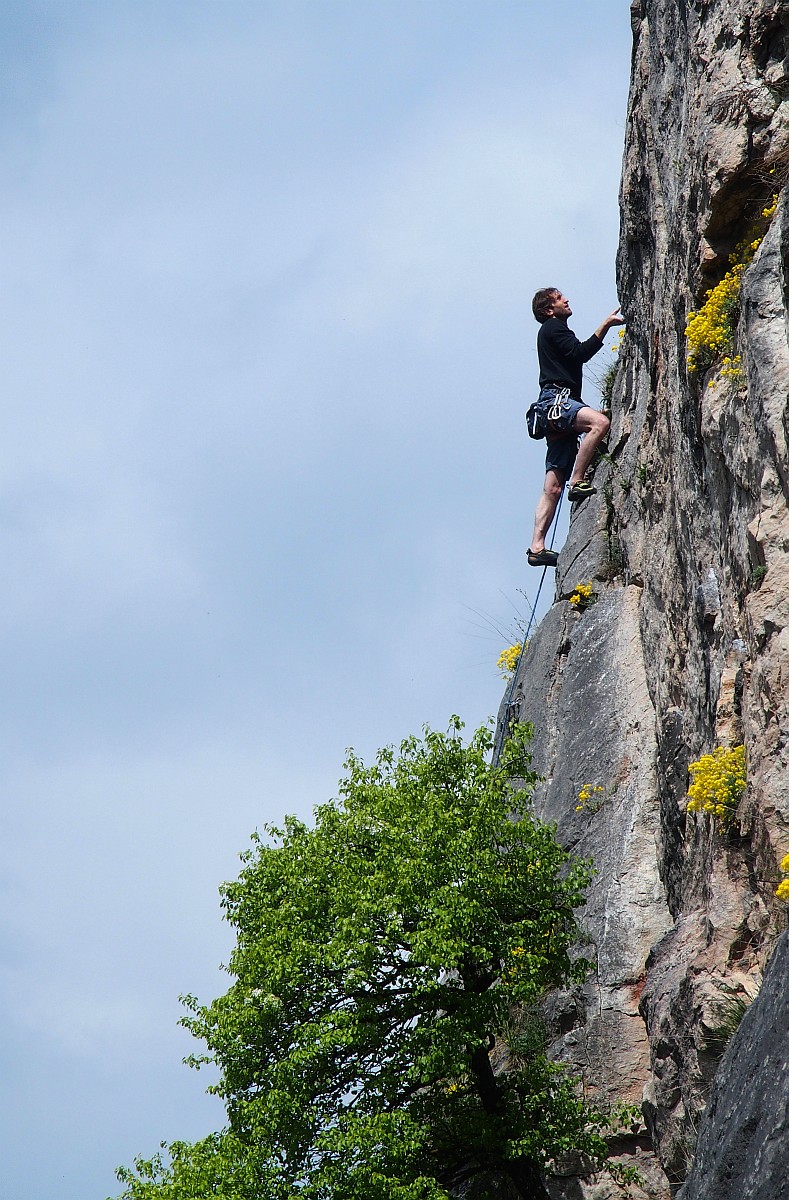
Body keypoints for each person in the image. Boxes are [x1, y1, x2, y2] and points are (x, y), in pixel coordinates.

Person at [526, 288, 624, 568]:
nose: (566, 300)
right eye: (559, 299)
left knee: (552, 487)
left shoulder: (550, 331)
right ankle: (578, 481)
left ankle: (537, 547)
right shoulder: (554, 327)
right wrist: (605, 326)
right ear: (548, 310)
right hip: (558, 401)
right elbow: (580, 353)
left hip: (552, 407)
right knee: (600, 423)